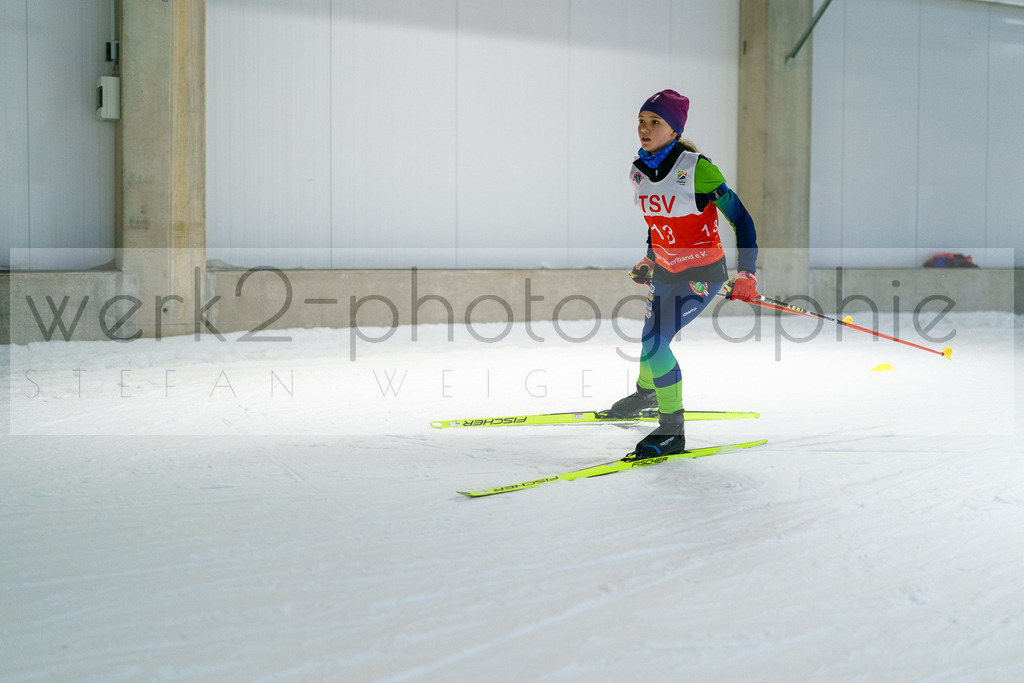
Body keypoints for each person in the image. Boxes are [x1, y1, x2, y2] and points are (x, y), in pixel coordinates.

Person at [604, 89, 759, 459]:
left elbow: (741, 219)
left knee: (656, 342)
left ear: (674, 130)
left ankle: (673, 429)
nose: (644, 128)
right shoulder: (639, 171)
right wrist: (650, 258)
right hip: (666, 270)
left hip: (702, 273)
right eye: (641, 121)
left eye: (654, 122)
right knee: (649, 339)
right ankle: (646, 395)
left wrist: (747, 273)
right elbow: (657, 222)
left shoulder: (698, 170)